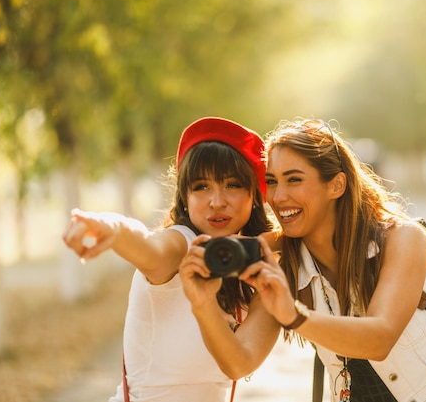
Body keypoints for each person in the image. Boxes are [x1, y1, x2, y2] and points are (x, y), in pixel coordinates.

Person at [239, 118, 426, 401]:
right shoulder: (286, 261)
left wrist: (295, 316)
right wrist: (202, 294)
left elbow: (380, 338)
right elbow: (239, 362)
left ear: (336, 185)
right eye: (271, 181)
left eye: (294, 179)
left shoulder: (402, 239)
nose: (278, 196)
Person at [62, 117, 281, 402]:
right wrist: (112, 227)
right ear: (184, 197)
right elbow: (148, 245)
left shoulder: (262, 270)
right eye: (201, 187)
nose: (217, 201)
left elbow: (240, 362)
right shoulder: (180, 246)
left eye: (232, 185)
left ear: (254, 195)